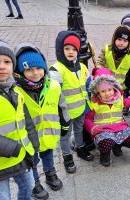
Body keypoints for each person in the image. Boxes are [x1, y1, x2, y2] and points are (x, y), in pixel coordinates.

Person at [14, 43, 71, 199]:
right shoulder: (16, 91)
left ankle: (50, 173)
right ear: (20, 71)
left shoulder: (53, 86)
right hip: (27, 136)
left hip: (48, 131)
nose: (35, 73)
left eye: (38, 68)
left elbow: (62, 106)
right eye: (29, 70)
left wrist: (65, 123)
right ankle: (35, 182)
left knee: (48, 153)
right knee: (32, 160)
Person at [0, 37, 39, 200]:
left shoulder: (15, 91)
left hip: (22, 156)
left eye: (7, 62)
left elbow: (27, 122)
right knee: (1, 197)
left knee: (28, 188)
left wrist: (34, 145)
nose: (2, 66)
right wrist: (12, 148)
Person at [49, 31, 94, 173]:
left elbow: (87, 86)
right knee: (65, 135)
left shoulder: (82, 67)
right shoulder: (56, 70)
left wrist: (89, 104)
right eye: (67, 48)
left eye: (74, 49)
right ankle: (67, 157)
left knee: (79, 130)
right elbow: (55, 94)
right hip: (65, 111)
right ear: (60, 49)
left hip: (80, 108)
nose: (71, 52)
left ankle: (80, 148)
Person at [84, 68, 130, 166]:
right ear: (97, 92)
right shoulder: (94, 103)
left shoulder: (119, 99)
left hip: (120, 127)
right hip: (103, 130)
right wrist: (93, 128)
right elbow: (87, 119)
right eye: (103, 91)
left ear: (114, 88)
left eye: (110, 90)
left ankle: (117, 145)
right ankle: (105, 155)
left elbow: (129, 101)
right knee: (106, 142)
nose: (107, 94)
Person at [96, 25, 130, 90]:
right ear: (114, 39)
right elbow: (99, 61)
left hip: (121, 88)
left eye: (125, 41)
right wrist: (100, 71)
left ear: (129, 42)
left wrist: (129, 83)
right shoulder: (107, 49)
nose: (121, 43)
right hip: (106, 86)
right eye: (119, 39)